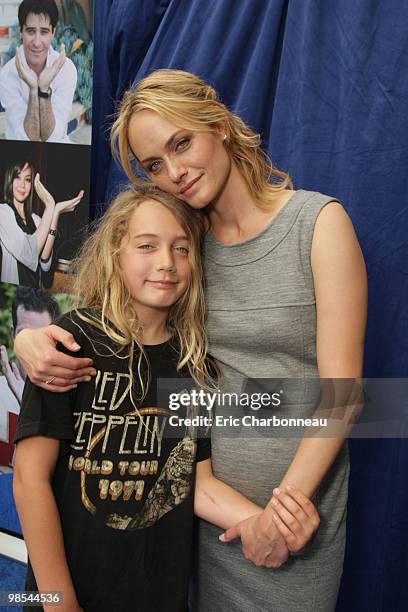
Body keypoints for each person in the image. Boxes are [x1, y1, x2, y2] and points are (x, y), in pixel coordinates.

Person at [14, 70, 367, 611]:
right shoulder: (184, 245)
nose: (175, 172)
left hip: (289, 522)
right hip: (187, 524)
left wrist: (278, 515)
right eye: (155, 165)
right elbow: (124, 329)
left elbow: (343, 394)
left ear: (218, 125)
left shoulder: (317, 226)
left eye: (182, 143)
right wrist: (30, 341)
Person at [13, 186, 319, 612]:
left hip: (157, 593)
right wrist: (58, 602)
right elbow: (29, 480)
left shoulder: (191, 365)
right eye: (146, 246)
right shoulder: (69, 343)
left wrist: (260, 522)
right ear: (115, 254)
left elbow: (193, 483)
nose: (166, 263)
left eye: (181, 249)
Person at [0, 0, 77, 143]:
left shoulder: (66, 69)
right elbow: (29, 140)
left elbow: (53, 138)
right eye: (30, 31)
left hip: (58, 151)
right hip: (19, 153)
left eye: (44, 32)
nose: (36, 42)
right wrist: (34, 90)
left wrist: (43, 89)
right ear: (21, 30)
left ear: (53, 32)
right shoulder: (7, 75)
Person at [0, 287, 59, 469]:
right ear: (12, 334)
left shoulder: (66, 399)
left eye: (42, 336)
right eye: (24, 335)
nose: (32, 347)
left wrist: (27, 403)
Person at [0, 159, 84, 287]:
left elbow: (45, 263)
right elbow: (29, 252)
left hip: (35, 293)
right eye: (18, 177)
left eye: (27, 180)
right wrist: (50, 206)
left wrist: (56, 212)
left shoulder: (36, 220)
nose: (22, 185)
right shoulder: (3, 213)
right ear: (9, 180)